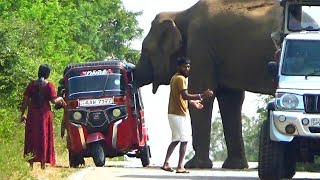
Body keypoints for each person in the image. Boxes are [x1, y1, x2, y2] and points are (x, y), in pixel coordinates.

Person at [161, 57, 213, 173]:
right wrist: (202, 96)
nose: (187, 69)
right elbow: (185, 95)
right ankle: (180, 167)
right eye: (184, 66)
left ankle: (166, 163)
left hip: (174, 113)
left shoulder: (175, 78)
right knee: (184, 140)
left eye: (188, 66)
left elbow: (181, 96)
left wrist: (193, 102)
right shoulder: (180, 79)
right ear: (178, 67)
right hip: (178, 114)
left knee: (176, 139)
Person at [20, 64, 66, 169]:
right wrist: (61, 99)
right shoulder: (49, 85)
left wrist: (23, 113)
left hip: (32, 114)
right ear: (48, 74)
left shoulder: (31, 84)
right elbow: (54, 100)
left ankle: (31, 163)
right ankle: (43, 164)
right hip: (44, 115)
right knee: (43, 137)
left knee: (31, 137)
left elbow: (25, 101)